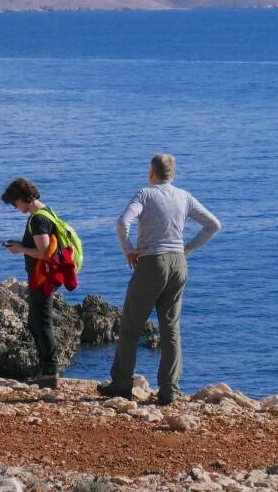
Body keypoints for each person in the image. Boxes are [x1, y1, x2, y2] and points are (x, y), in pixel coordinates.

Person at [99, 154, 221, 405]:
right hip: (178, 263)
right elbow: (213, 225)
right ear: (172, 174)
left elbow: (122, 222)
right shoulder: (184, 197)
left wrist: (128, 250)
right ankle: (169, 391)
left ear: (151, 174)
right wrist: (188, 248)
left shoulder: (145, 194)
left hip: (151, 263)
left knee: (131, 326)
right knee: (171, 329)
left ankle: (121, 385)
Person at [1, 177, 61, 389]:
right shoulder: (47, 211)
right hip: (43, 277)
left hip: (42, 278)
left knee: (42, 323)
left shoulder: (38, 219)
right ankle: (45, 369)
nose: (15, 208)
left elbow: (43, 252)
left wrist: (20, 248)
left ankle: (50, 372)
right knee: (35, 322)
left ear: (22, 198)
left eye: (15, 203)